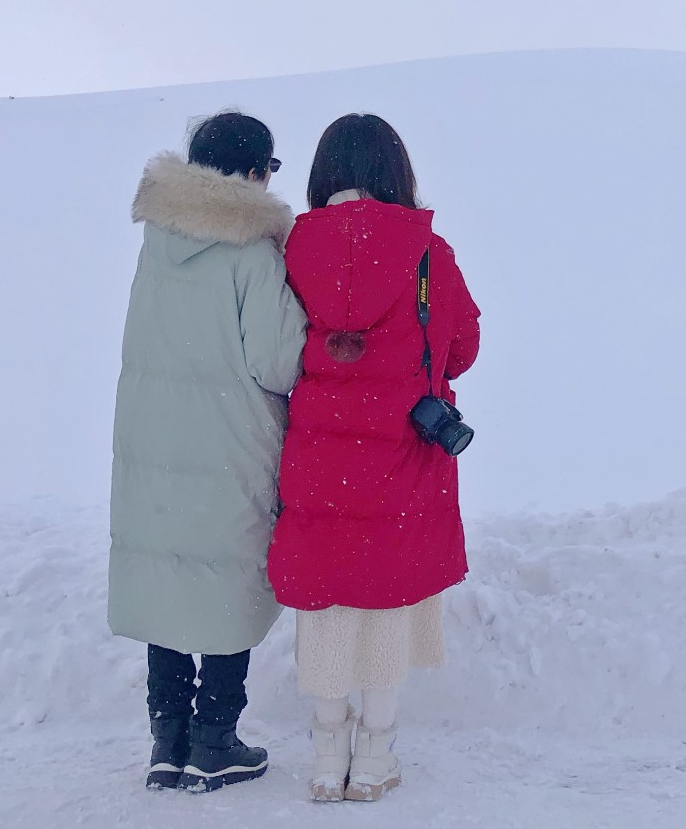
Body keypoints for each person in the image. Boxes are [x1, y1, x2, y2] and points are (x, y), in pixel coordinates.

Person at [267, 113, 482, 803]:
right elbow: (462, 350)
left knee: (328, 601)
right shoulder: (429, 253)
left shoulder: (290, 248)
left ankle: (328, 759)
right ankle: (376, 758)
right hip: (399, 457)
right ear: (397, 172)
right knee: (386, 595)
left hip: (320, 458)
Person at [108, 111, 307, 792]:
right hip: (228, 441)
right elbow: (278, 362)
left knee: (168, 576)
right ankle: (215, 740)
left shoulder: (157, 241)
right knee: (226, 581)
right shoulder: (253, 253)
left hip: (154, 437)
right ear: (253, 173)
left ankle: (167, 740)